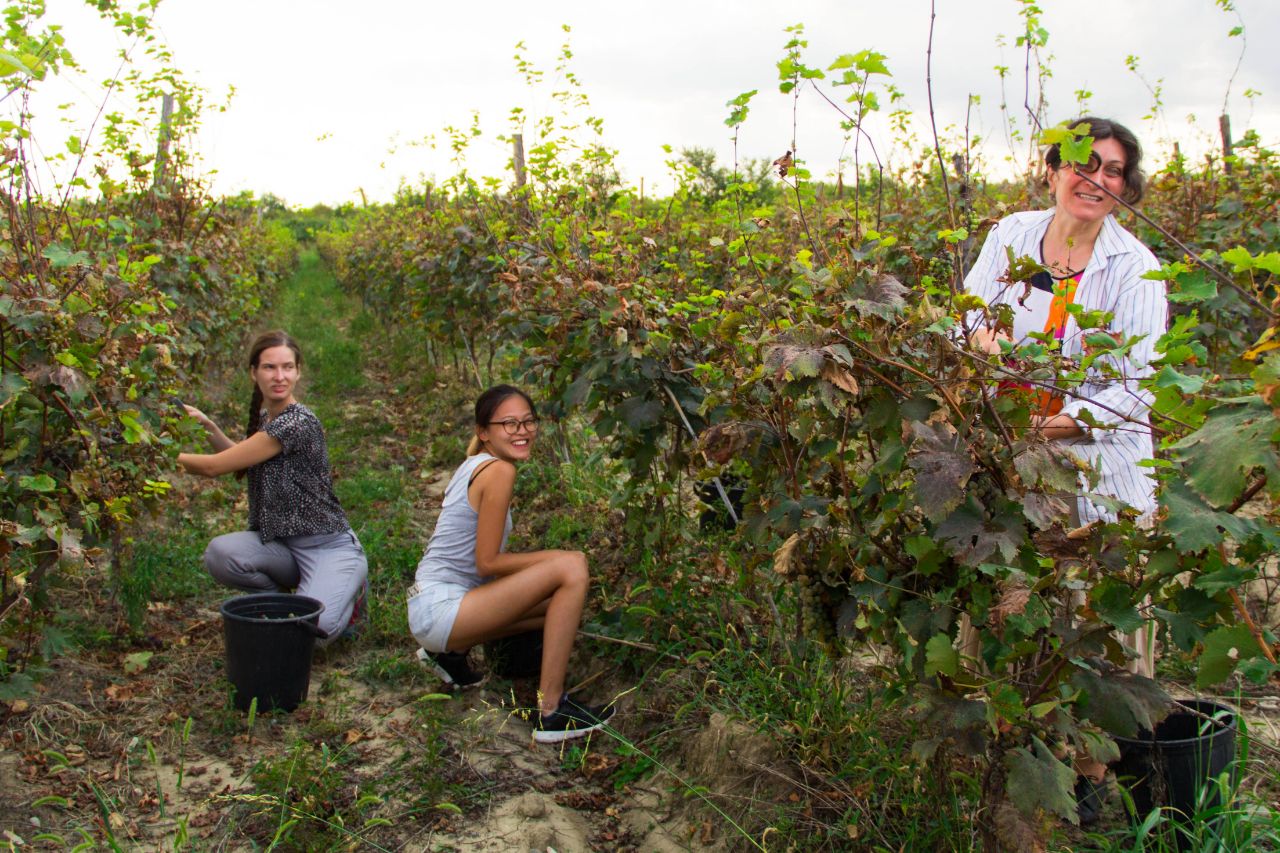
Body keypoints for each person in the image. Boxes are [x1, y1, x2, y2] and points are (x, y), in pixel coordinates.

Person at [962, 116, 1167, 823]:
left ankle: (1102, 780)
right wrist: (983, 344)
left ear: (1125, 187)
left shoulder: (1134, 267)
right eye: (1083, 163)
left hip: (1097, 472)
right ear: (1053, 170)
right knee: (1016, 606)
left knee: (1101, 622)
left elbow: (1133, 387)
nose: (1096, 179)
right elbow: (970, 317)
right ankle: (1013, 758)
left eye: (1113, 170)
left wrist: (1042, 425)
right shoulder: (1011, 236)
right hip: (1015, 467)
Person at [407, 385, 614, 743]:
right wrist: (561, 557)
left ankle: (449, 655)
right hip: (441, 608)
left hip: (433, 605)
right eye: (509, 424)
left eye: (528, 421)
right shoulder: (499, 471)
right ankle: (552, 711)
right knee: (572, 568)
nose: (522, 431)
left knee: (558, 604)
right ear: (483, 432)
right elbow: (487, 562)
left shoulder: (475, 464)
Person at [178, 330, 368, 646]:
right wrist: (209, 427)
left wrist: (156, 453)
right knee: (220, 554)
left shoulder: (296, 422)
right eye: (269, 367)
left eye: (287, 367)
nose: (279, 376)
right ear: (253, 373)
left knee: (309, 634)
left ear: (298, 371)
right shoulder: (268, 416)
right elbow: (241, 459)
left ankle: (349, 597)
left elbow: (214, 467)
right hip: (282, 546)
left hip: (327, 547)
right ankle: (282, 603)